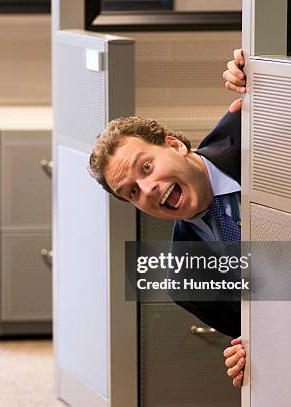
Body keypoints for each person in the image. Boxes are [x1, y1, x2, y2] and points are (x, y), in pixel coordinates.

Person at [88, 49, 247, 387]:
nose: (147, 189)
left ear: (174, 145)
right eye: (131, 192)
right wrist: (252, 352)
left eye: (146, 167)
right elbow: (258, 335)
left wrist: (260, 77)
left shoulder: (247, 123)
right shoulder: (186, 281)